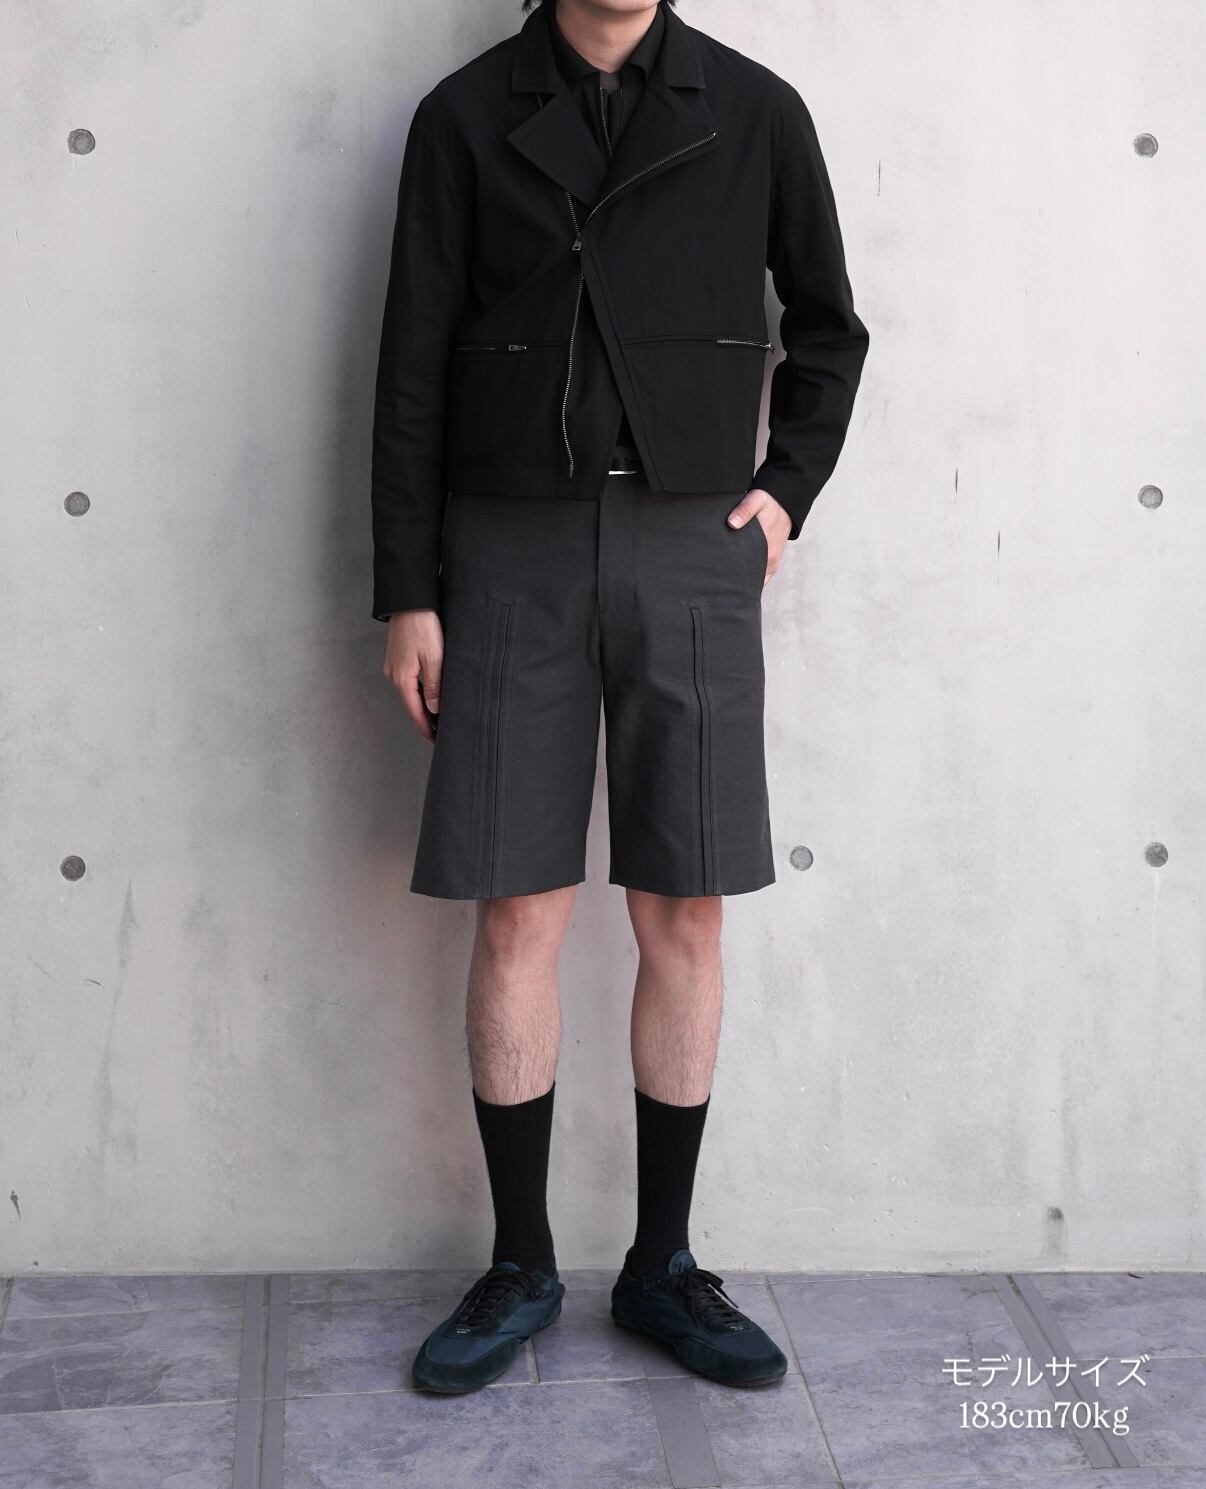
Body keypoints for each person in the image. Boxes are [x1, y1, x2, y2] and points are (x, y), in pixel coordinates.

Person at [371, 0, 868, 1394]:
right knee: (515, 904)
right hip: (504, 545)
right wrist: (407, 590)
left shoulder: (755, 111)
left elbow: (829, 328)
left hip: (693, 538)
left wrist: (785, 491)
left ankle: (662, 1262)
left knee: (685, 905)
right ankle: (520, 1261)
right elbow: (408, 366)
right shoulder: (463, 116)